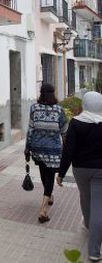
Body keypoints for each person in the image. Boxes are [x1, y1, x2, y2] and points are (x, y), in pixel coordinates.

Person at [57, 91, 102, 262]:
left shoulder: (76, 123)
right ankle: (95, 252)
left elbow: (68, 150)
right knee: (99, 206)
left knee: (85, 197)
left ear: (85, 104)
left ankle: (90, 227)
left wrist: (61, 173)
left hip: (81, 169)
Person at [25, 83, 68, 223]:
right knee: (49, 177)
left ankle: (48, 197)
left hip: (37, 148)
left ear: (41, 93)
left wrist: (27, 147)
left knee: (45, 174)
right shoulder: (59, 110)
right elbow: (64, 132)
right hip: (54, 150)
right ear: (53, 93)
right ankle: (43, 211)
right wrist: (67, 149)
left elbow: (30, 129)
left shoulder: (34, 108)